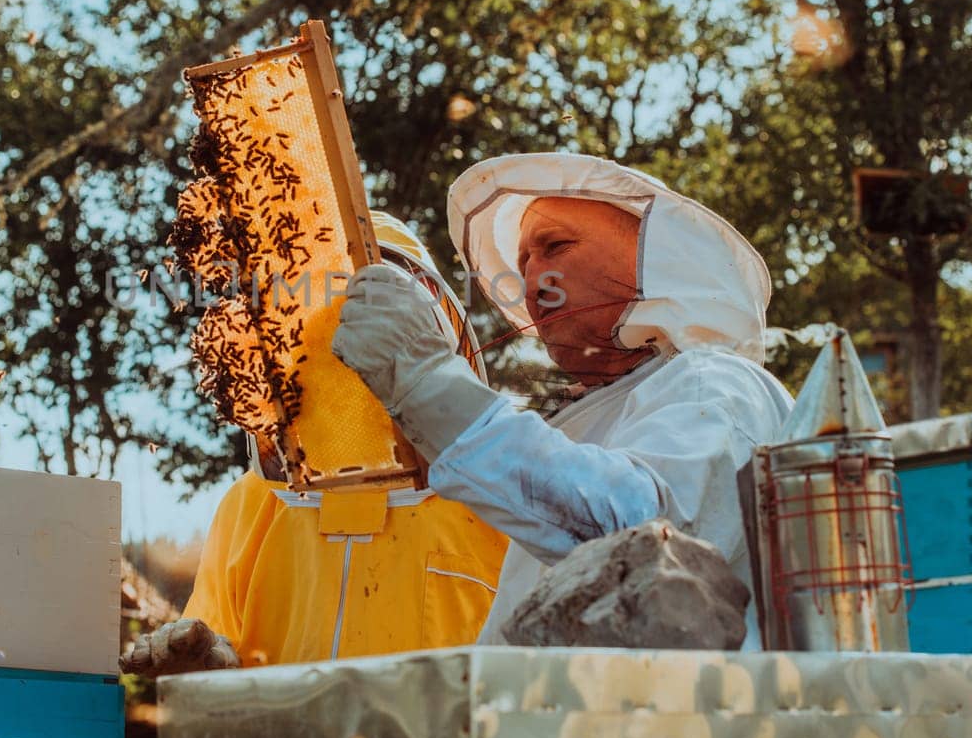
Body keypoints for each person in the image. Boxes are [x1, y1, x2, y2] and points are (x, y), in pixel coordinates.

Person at [331, 153, 792, 647]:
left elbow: (639, 546)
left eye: (555, 246)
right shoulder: (587, 423)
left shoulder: (716, 384)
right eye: (524, 263)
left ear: (654, 257)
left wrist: (430, 385)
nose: (531, 284)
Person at [121, 212, 508, 676]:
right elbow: (215, 650)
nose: (342, 349)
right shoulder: (252, 505)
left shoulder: (499, 498)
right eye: (322, 325)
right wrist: (206, 661)